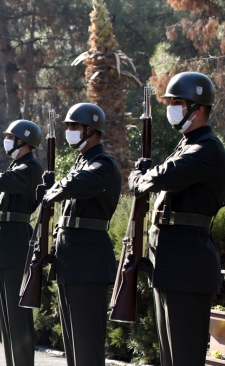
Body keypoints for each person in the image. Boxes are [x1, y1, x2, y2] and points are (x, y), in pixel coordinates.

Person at [129, 72, 225, 365]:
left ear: (198, 108)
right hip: (171, 261)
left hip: (188, 263)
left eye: (178, 102)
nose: (171, 107)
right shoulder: (186, 144)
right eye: (170, 101)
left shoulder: (207, 148)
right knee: (170, 357)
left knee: (185, 356)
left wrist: (141, 176)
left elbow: (163, 176)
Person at [41, 103, 121, 366]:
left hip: (89, 262)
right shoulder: (83, 162)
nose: (70, 131)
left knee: (87, 344)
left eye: (75, 126)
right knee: (74, 343)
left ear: (90, 129)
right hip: (72, 260)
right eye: (69, 127)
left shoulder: (103, 163)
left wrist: (54, 189)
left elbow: (75, 184)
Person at [0, 120, 43, 366]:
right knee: (8, 316)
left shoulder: (30, 167)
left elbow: (0, 182)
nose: (7, 141)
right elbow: (3, 212)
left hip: (16, 243)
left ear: (25, 141)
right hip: (4, 241)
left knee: (18, 315)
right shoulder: (16, 167)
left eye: (11, 137)